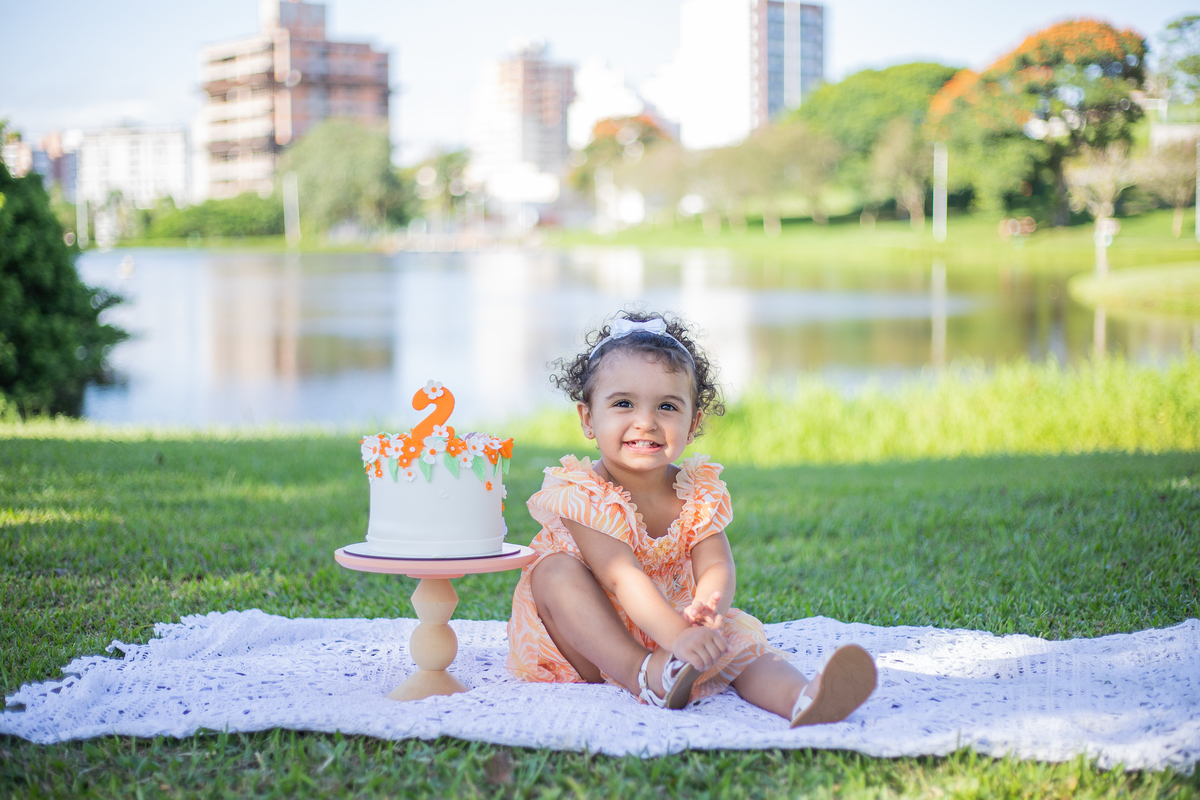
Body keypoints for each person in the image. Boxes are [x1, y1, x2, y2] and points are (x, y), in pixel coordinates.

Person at [507, 310, 877, 725]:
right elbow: (620, 576)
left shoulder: (697, 490)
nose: (645, 422)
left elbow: (716, 561)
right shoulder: (581, 492)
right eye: (623, 403)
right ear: (588, 418)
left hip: (673, 620)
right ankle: (643, 674)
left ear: (693, 422)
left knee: (738, 643)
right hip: (589, 642)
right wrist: (679, 636)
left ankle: (803, 698)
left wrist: (708, 608)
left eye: (666, 406)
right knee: (554, 572)